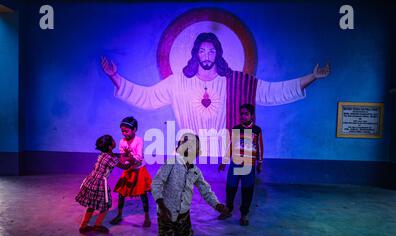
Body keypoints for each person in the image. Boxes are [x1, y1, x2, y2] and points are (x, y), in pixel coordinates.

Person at [101, 32, 330, 156]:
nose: (207, 55)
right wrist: (114, 76)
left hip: (224, 152)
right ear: (195, 54)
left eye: (211, 50)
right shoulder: (178, 82)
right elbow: (148, 97)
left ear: (218, 54)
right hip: (188, 151)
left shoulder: (235, 81)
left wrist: (311, 78)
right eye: (202, 50)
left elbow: (271, 92)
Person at [150, 133, 229, 236]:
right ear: (180, 146)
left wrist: (217, 205)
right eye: (186, 144)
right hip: (166, 219)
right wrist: (162, 206)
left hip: (184, 219)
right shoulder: (171, 163)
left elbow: (205, 189)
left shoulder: (194, 170)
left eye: (193, 146)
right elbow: (156, 183)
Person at [76, 135, 133, 234]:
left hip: (91, 180)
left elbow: (115, 157)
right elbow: (124, 166)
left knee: (91, 205)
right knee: (106, 206)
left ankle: (83, 226)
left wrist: (124, 155)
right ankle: (97, 225)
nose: (115, 141)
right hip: (99, 183)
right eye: (113, 141)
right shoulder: (111, 159)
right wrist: (132, 160)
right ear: (110, 146)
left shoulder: (103, 154)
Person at [218, 104, 263, 226]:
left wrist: (260, 162)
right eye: (241, 114)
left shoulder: (256, 130)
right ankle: (228, 209)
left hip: (249, 164)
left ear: (252, 115)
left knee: (247, 189)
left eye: (246, 114)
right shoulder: (236, 129)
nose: (243, 116)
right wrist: (224, 161)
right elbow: (231, 146)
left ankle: (244, 214)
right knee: (231, 187)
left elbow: (260, 147)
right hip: (236, 163)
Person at [110, 117, 152, 227]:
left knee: (142, 194)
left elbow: (138, 157)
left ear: (134, 129)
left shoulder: (139, 140)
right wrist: (123, 160)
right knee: (121, 193)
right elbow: (123, 156)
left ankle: (147, 217)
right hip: (129, 170)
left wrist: (129, 158)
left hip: (139, 170)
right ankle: (119, 215)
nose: (124, 133)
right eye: (122, 131)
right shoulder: (122, 141)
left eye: (126, 131)